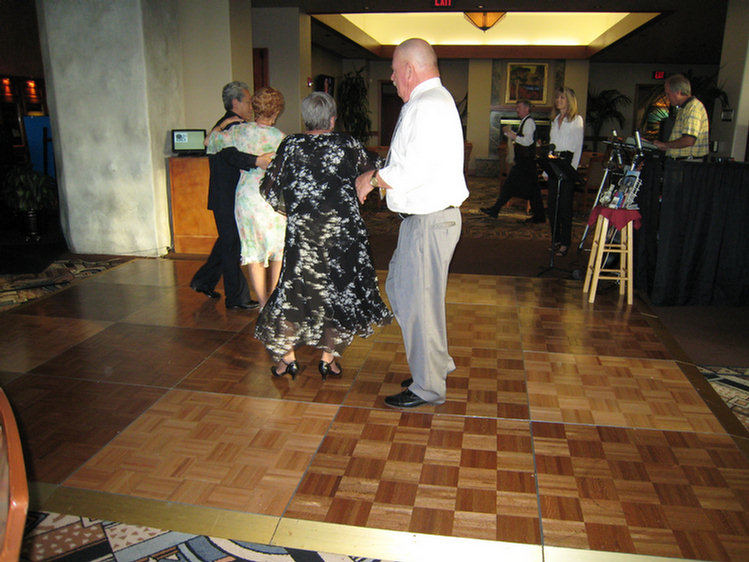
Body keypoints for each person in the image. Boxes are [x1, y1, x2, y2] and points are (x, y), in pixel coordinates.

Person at [355, 38, 469, 409]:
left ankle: (428, 386)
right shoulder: (433, 102)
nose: (391, 77)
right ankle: (433, 365)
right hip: (423, 221)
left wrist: (370, 179)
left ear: (408, 69)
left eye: (393, 70)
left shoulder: (426, 106)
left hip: (430, 221)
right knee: (404, 291)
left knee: (420, 304)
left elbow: (410, 170)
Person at [255, 92, 392, 381]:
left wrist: (296, 207)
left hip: (304, 233)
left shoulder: (291, 144)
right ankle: (328, 361)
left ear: (306, 119)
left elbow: (270, 186)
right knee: (337, 292)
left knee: (293, 291)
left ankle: (287, 361)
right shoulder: (346, 144)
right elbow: (377, 169)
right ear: (332, 120)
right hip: (341, 233)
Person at [190, 81, 272, 309]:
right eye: (247, 102)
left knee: (227, 242)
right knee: (232, 245)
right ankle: (236, 299)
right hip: (225, 196)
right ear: (235, 102)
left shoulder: (234, 124)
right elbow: (229, 155)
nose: (251, 107)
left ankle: (203, 280)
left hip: (228, 195)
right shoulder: (229, 126)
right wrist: (257, 161)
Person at [209, 87, 286, 309]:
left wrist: (223, 124)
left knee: (253, 251)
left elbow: (211, 143)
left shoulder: (239, 132)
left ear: (254, 108)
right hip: (270, 198)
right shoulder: (280, 138)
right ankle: (273, 300)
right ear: (276, 111)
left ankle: (262, 303)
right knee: (277, 250)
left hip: (246, 198)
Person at [480, 99, 544, 223]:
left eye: (519, 107)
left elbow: (527, 141)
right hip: (525, 163)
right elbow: (528, 140)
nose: (517, 110)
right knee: (532, 190)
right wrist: (511, 134)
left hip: (525, 163)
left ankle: (495, 209)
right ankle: (539, 216)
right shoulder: (526, 122)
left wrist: (510, 134)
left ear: (526, 109)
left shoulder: (529, 122)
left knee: (511, 186)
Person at [547, 86, 584, 257]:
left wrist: (572, 171)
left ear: (569, 101)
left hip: (567, 164)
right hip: (554, 163)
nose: (558, 100)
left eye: (562, 97)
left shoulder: (576, 120)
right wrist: (547, 169)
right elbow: (552, 143)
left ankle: (565, 242)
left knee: (564, 208)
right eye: (557, 97)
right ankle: (556, 240)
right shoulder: (555, 120)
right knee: (553, 206)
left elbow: (578, 147)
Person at [653, 74, 709, 160]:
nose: (667, 98)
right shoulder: (684, 108)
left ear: (678, 92)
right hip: (683, 162)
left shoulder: (693, 108)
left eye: (668, 94)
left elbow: (689, 140)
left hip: (687, 163)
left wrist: (665, 145)